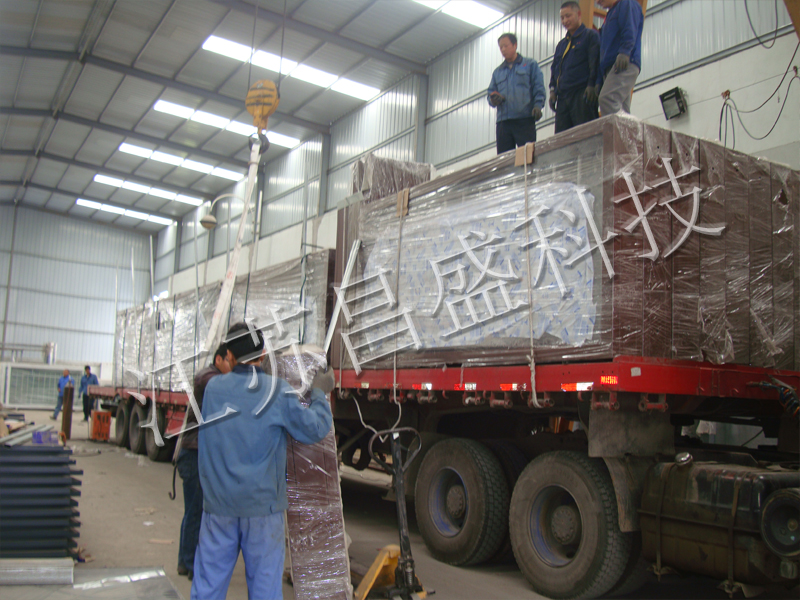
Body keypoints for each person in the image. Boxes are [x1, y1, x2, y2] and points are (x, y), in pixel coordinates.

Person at [191, 323, 334, 600]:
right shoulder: (277, 391)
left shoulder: (213, 390)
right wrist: (318, 393)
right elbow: (314, 428)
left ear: (229, 355)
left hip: (218, 507)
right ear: (264, 354)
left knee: (208, 587)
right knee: (265, 591)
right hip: (263, 510)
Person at [176, 343, 231, 581]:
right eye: (229, 361)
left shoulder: (215, 377)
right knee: (195, 511)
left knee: (196, 511)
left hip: (199, 453)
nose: (231, 367)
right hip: (193, 454)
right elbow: (215, 384)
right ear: (218, 359)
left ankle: (186, 561)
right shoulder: (207, 377)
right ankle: (189, 562)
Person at [488, 32, 546, 154]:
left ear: (515, 45)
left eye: (506, 46)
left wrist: (538, 106)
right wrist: (493, 99)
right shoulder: (498, 72)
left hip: (524, 120)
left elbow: (538, 87)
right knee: (504, 160)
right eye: (500, 47)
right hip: (503, 123)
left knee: (527, 157)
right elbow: (490, 93)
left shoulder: (530, 65)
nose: (503, 50)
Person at [549, 1, 600, 133]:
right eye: (562, 18)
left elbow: (594, 62)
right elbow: (555, 69)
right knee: (562, 139)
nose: (565, 20)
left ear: (578, 14)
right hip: (563, 99)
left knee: (586, 135)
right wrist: (552, 90)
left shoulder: (590, 36)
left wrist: (592, 85)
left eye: (568, 16)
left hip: (582, 95)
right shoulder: (561, 45)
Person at [596, 0, 644, 116]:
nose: (597, 1)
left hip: (623, 63)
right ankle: (627, 127)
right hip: (613, 65)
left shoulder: (627, 3)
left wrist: (625, 52)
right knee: (622, 107)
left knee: (607, 99)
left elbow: (629, 28)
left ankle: (618, 128)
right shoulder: (611, 13)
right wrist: (599, 79)